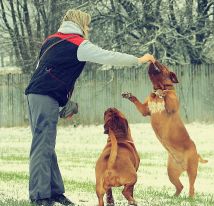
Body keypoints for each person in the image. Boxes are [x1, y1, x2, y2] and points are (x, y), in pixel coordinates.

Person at [25, 9, 155, 206]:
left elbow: (42, 70)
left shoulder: (51, 40)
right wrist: (138, 60)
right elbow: (108, 56)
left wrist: (64, 100)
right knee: (42, 146)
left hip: (38, 95)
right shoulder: (77, 43)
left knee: (46, 145)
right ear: (80, 24)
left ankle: (54, 192)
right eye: (87, 25)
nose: (88, 29)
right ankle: (40, 197)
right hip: (45, 96)